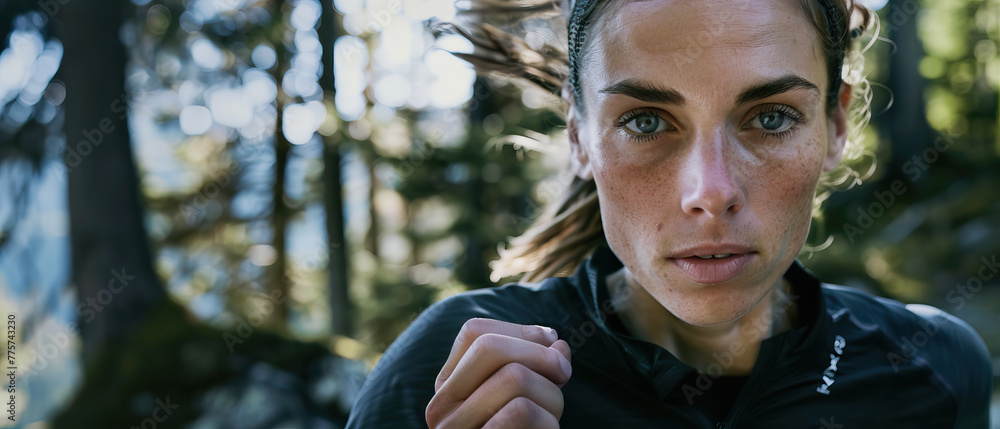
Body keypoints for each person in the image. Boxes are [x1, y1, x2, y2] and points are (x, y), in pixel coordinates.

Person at [345, 0, 993, 427]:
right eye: (647, 121)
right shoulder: (452, 373)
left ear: (835, 121)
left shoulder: (936, 367)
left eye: (770, 117)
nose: (710, 191)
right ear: (579, 133)